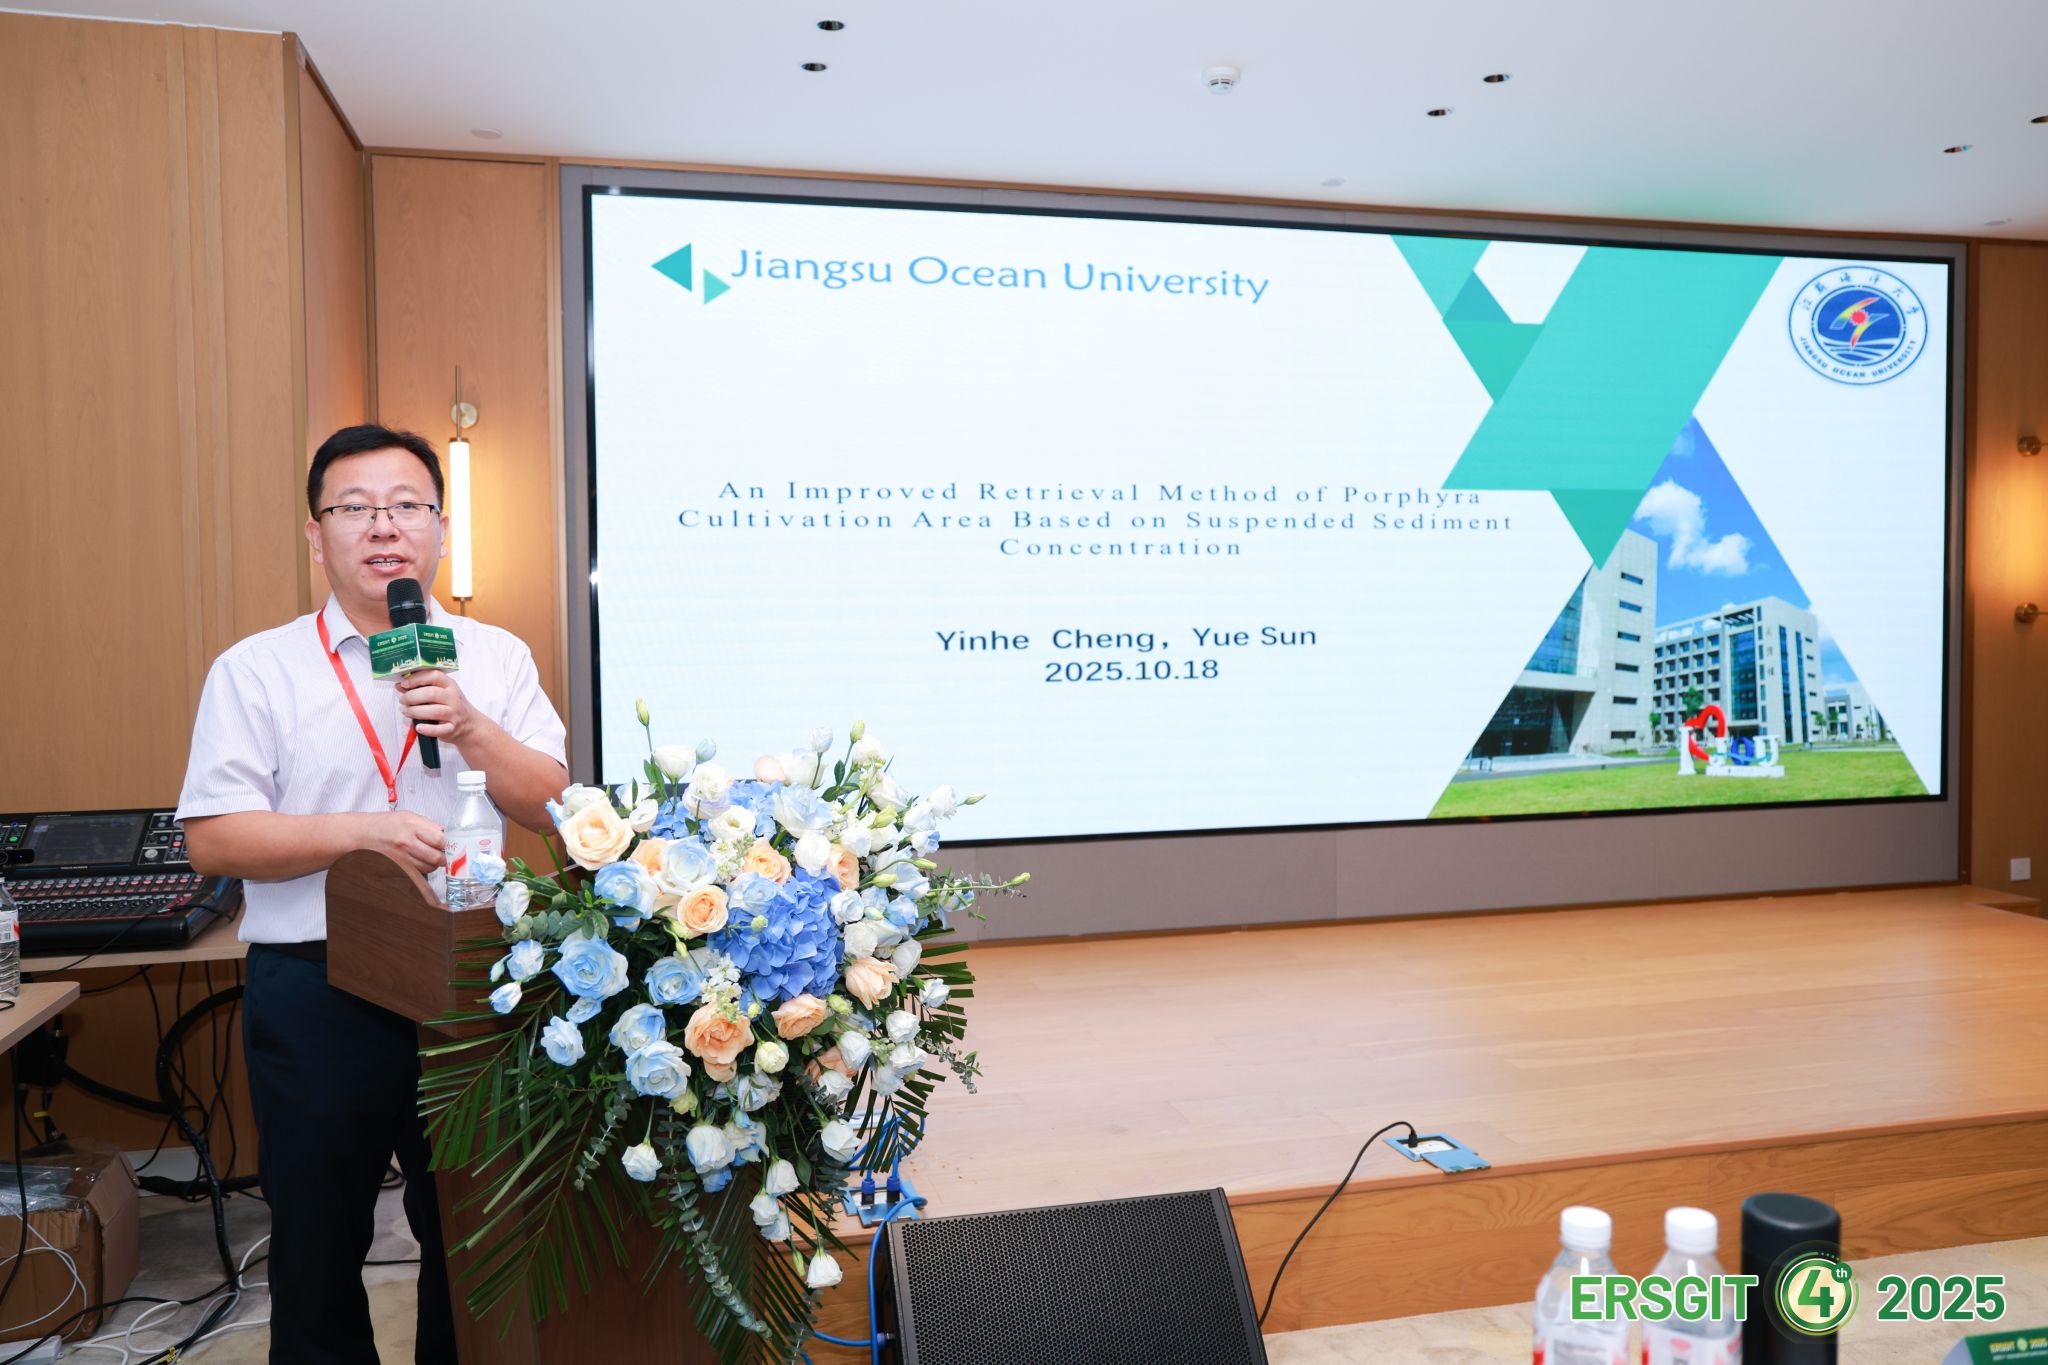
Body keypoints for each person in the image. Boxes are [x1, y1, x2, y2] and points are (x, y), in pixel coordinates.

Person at [178, 424, 569, 1365]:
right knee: (317, 1245)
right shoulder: (257, 668)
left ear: (441, 527)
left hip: (473, 976)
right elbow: (213, 837)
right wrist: (362, 832)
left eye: (406, 506)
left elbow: (554, 805)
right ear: (317, 534)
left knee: (470, 1236)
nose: (383, 527)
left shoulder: (494, 656)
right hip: (317, 983)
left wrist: (469, 725)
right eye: (354, 508)